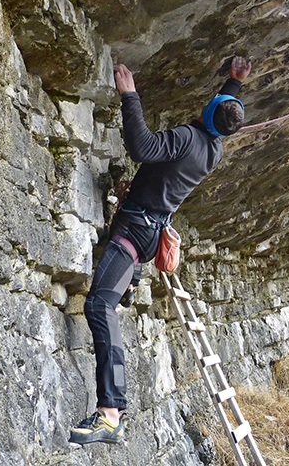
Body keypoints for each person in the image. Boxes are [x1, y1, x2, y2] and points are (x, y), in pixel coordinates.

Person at [69, 56, 252, 445]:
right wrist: (234, 83)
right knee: (108, 301)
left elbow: (142, 147)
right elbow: (220, 111)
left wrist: (130, 96)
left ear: (208, 112)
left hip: (136, 230)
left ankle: (110, 412)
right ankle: (130, 286)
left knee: (99, 305)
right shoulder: (213, 149)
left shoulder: (188, 137)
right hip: (150, 231)